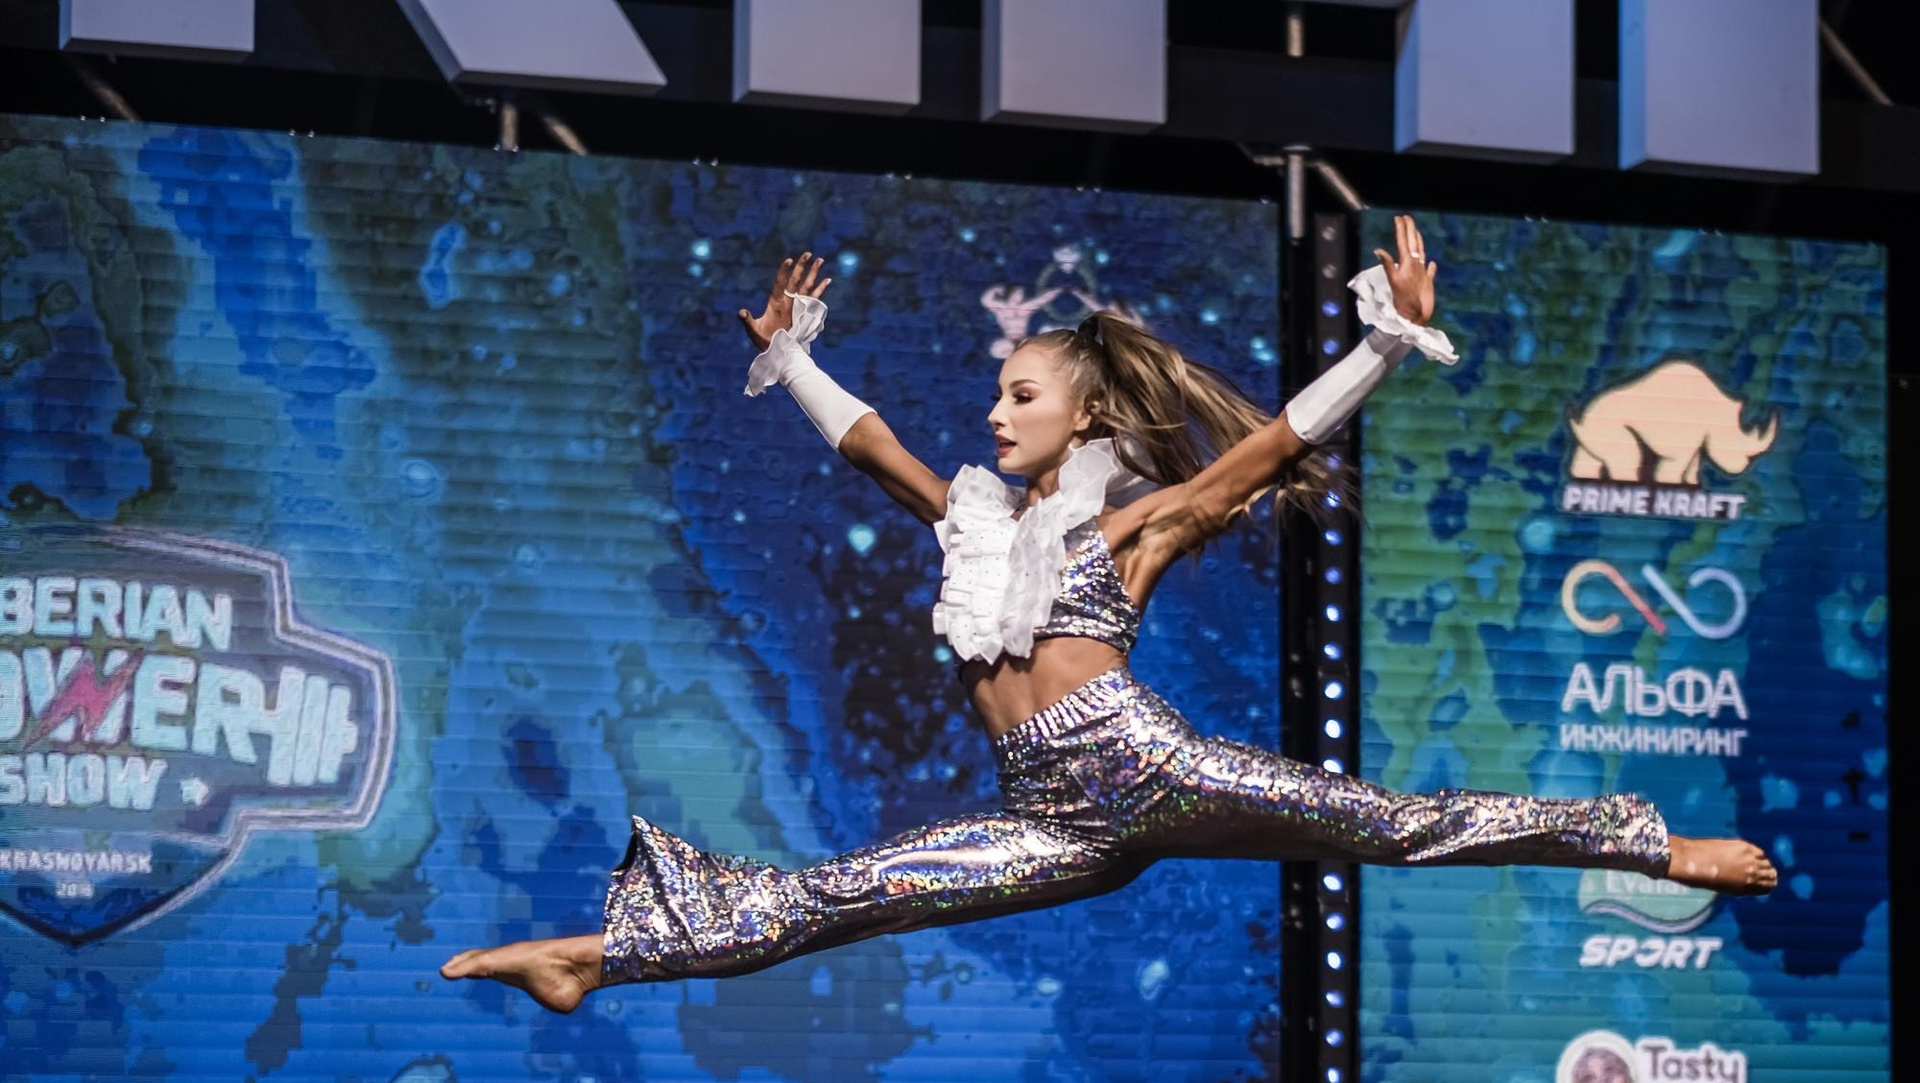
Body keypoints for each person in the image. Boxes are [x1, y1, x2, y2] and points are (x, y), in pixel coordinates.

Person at [442, 216, 1776, 1014]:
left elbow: (1268, 451)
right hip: (1051, 819)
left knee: (1396, 825)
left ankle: (1653, 848)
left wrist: (1381, 344)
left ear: (1083, 416)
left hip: (1149, 767)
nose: (994, 414)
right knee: (838, 898)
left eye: (1019, 396)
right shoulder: (970, 522)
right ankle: (589, 960)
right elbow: (873, 445)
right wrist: (791, 357)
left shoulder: (1128, 525)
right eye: (997, 395)